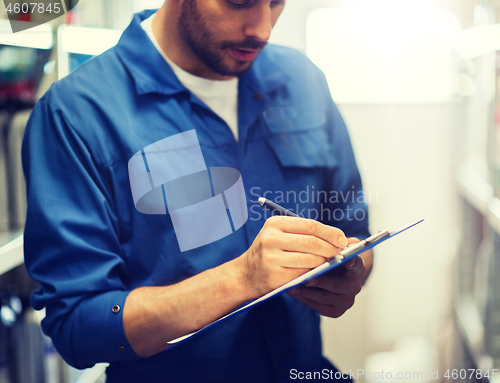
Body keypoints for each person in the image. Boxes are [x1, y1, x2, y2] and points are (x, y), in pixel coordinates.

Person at [22, 0, 373, 381]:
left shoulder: (303, 79)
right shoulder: (77, 113)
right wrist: (241, 280)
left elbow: (356, 232)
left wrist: (349, 269)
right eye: (239, 1)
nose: (262, 29)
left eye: (275, 3)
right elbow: (78, 327)